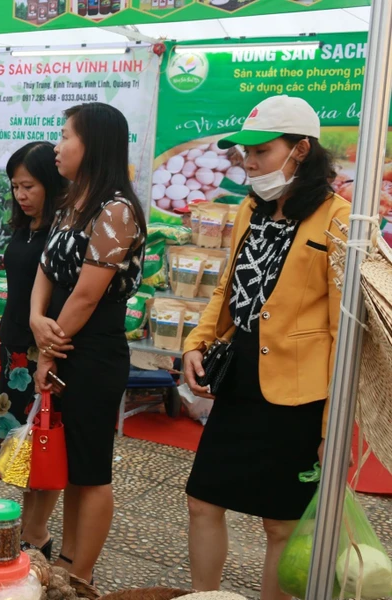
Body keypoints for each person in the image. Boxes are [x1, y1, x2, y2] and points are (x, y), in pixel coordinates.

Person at [182, 95, 349, 600]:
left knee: (281, 525)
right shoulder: (248, 209)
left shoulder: (340, 218)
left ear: (301, 149)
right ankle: (205, 595)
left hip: (298, 392)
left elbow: (346, 329)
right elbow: (226, 288)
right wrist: (198, 340)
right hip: (240, 377)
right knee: (202, 500)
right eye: (245, 153)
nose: (249, 163)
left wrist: (332, 426)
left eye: (261, 151)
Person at [30, 103, 146, 583]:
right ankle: (67, 560)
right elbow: (46, 267)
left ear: (92, 144)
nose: (57, 146)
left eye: (65, 137)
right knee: (72, 465)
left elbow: (85, 295)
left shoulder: (117, 210)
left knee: (92, 471)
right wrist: (36, 318)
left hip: (92, 352)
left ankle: (80, 575)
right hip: (61, 338)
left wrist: (47, 348)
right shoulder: (72, 201)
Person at [0, 141, 67, 560]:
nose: (21, 195)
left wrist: (46, 353)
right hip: (12, 349)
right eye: (15, 186)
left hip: (42, 352)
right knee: (16, 450)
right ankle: (29, 529)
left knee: (43, 445)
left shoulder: (63, 232)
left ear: (51, 183)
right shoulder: (25, 227)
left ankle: (36, 533)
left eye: (29, 186)